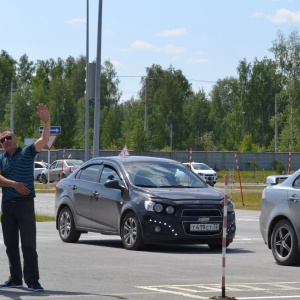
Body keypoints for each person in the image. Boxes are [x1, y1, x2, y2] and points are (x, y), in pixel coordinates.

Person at [0, 103, 50, 292]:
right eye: (2, 139)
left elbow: (44, 139)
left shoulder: (27, 152)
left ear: (16, 138)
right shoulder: (1, 158)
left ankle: (32, 280)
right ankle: (15, 278)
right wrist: (14, 184)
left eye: (9, 137)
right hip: (7, 205)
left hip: (25, 205)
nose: (6, 140)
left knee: (28, 244)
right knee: (10, 244)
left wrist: (46, 121)